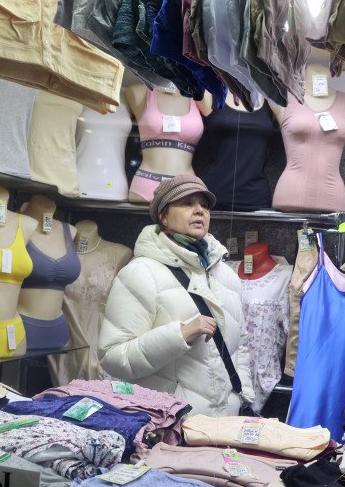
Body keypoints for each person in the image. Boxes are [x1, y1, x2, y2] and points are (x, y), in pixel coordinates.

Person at [99, 175, 254, 416]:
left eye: (204, 205)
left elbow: (241, 345)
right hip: (171, 426)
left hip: (225, 425)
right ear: (163, 216)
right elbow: (113, 357)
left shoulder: (226, 275)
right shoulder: (141, 273)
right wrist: (179, 335)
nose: (199, 210)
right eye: (187, 203)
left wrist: (244, 393)